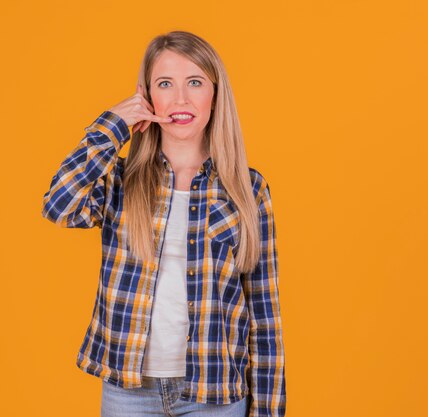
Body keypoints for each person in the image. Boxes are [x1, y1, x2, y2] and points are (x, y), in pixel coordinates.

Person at [41, 30, 286, 417]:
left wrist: (268, 411)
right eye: (165, 84)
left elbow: (264, 316)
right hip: (128, 392)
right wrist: (113, 125)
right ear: (147, 95)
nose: (181, 99)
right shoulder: (120, 180)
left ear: (215, 94)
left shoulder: (248, 189)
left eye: (195, 82)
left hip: (216, 393)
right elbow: (58, 205)